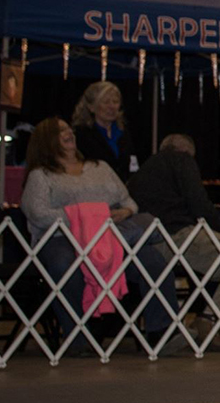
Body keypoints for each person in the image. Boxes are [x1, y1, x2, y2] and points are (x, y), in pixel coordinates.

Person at [20, 117, 178, 347]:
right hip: (62, 238)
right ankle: (79, 336)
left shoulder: (100, 167)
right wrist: (87, 217)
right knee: (62, 265)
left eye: (69, 129)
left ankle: (163, 331)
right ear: (46, 140)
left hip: (108, 236)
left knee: (152, 259)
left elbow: (129, 201)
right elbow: (38, 214)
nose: (69, 133)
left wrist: (124, 211)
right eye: (60, 131)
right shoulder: (40, 175)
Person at [128, 133, 220, 325]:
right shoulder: (181, 159)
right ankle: (214, 321)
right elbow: (198, 202)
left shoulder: (143, 172)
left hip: (151, 243)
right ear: (188, 151)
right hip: (179, 235)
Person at [72, 81, 137, 176]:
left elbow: (133, 164)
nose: (112, 106)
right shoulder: (81, 135)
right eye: (106, 102)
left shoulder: (123, 132)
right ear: (91, 107)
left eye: (115, 102)